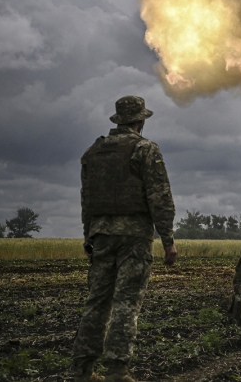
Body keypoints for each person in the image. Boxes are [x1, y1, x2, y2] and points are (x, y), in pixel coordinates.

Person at [71, 95, 178, 382]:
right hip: (134, 237)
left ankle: (82, 369)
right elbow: (160, 198)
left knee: (96, 302)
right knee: (125, 302)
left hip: (101, 235)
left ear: (119, 120)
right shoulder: (145, 149)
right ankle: (117, 370)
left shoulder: (91, 153)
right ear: (140, 120)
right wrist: (168, 240)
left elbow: (87, 201)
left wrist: (88, 237)